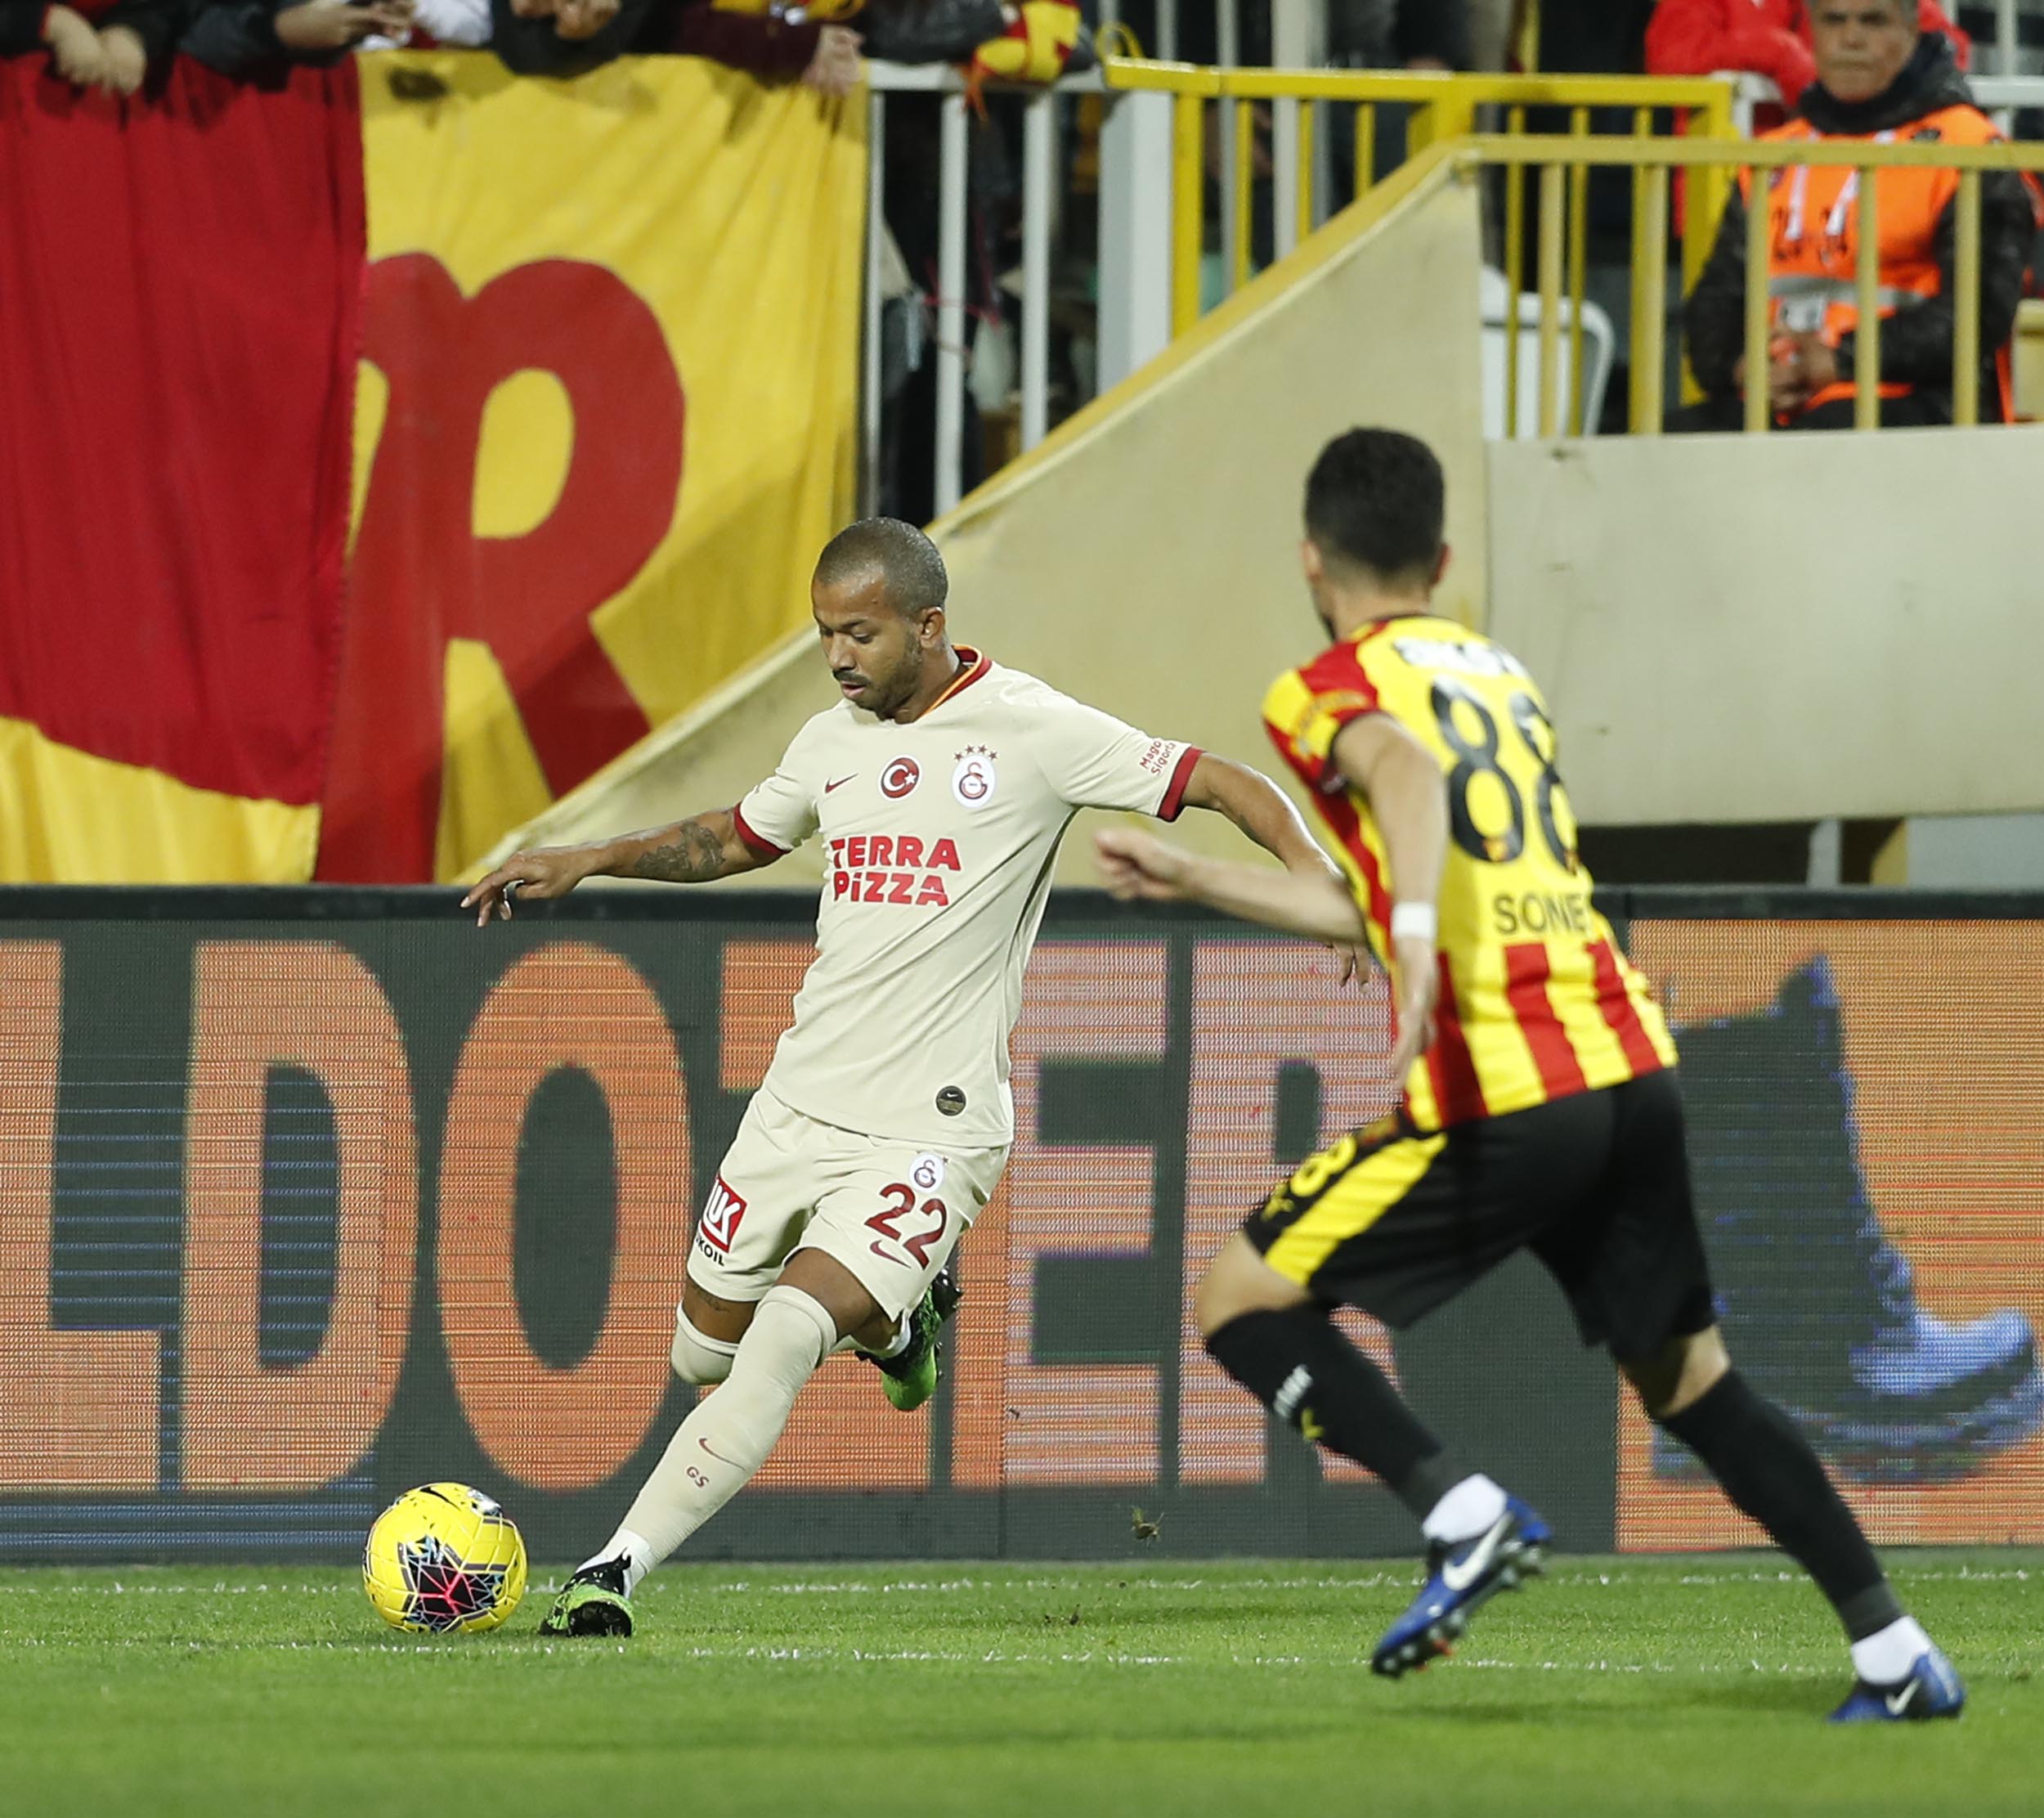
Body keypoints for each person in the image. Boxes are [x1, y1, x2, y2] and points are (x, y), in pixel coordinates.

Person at [1094, 428, 1964, 1724]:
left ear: (1311, 560)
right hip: (1628, 1065)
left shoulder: (1327, 687)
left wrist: (1401, 935)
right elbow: (1434, 881)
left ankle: (1462, 1511)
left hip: (1511, 1081)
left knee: (1239, 1297)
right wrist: (1207, 876)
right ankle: (1896, 1654)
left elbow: (1405, 779)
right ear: (1443, 558)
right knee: (1696, 1386)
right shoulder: (1501, 672)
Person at [464, 515, 1347, 1638]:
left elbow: (1224, 781)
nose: (839, 657)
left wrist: (1319, 883)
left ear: (928, 625)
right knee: (701, 1351)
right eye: (826, 634)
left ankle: (610, 1571)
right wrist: (590, 857)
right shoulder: (833, 741)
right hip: (797, 1102)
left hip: (930, 1127)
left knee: (785, 1332)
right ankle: (902, 1328)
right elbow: (741, 835)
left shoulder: (1034, 730)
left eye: (861, 634)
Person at [1671, 0, 2034, 430]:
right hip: (1779, 402)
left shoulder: (1970, 151)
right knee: (1652, 449)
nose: (1851, 38)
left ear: (1911, 29)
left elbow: (1977, 315)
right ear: (1812, 31)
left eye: (1873, 20)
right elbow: (1715, 301)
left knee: (1821, 441)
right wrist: (1742, 367)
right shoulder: (1772, 157)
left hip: (1918, 406)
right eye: (1834, 20)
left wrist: (1838, 361)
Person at [1644, 0, 1968, 113]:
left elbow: (1945, 48)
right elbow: (1671, 59)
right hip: (1730, 191)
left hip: (1854, 185)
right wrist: (1777, 52)